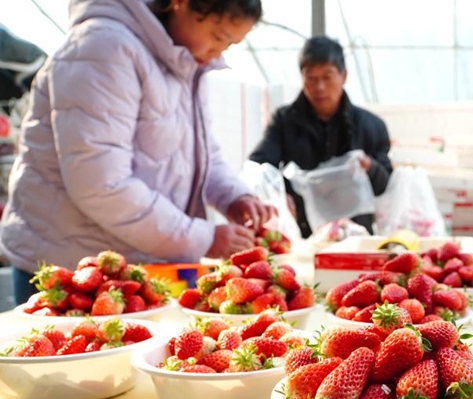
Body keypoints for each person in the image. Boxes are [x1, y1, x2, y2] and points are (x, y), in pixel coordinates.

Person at [0, 0, 275, 304]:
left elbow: (201, 151)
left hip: (127, 268)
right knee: (74, 349)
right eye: (219, 36)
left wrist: (234, 197)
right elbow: (100, 184)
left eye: (230, 44)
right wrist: (204, 237)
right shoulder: (103, 49)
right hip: (70, 272)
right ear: (180, 4)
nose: (219, 52)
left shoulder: (182, 61)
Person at [249, 35, 393, 238]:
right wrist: (281, 195)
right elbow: (260, 166)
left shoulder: (371, 125)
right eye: (311, 78)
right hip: (303, 235)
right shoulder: (285, 121)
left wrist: (369, 166)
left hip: (356, 236)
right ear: (302, 78)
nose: (320, 87)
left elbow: (385, 185)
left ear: (343, 76)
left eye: (327, 76)